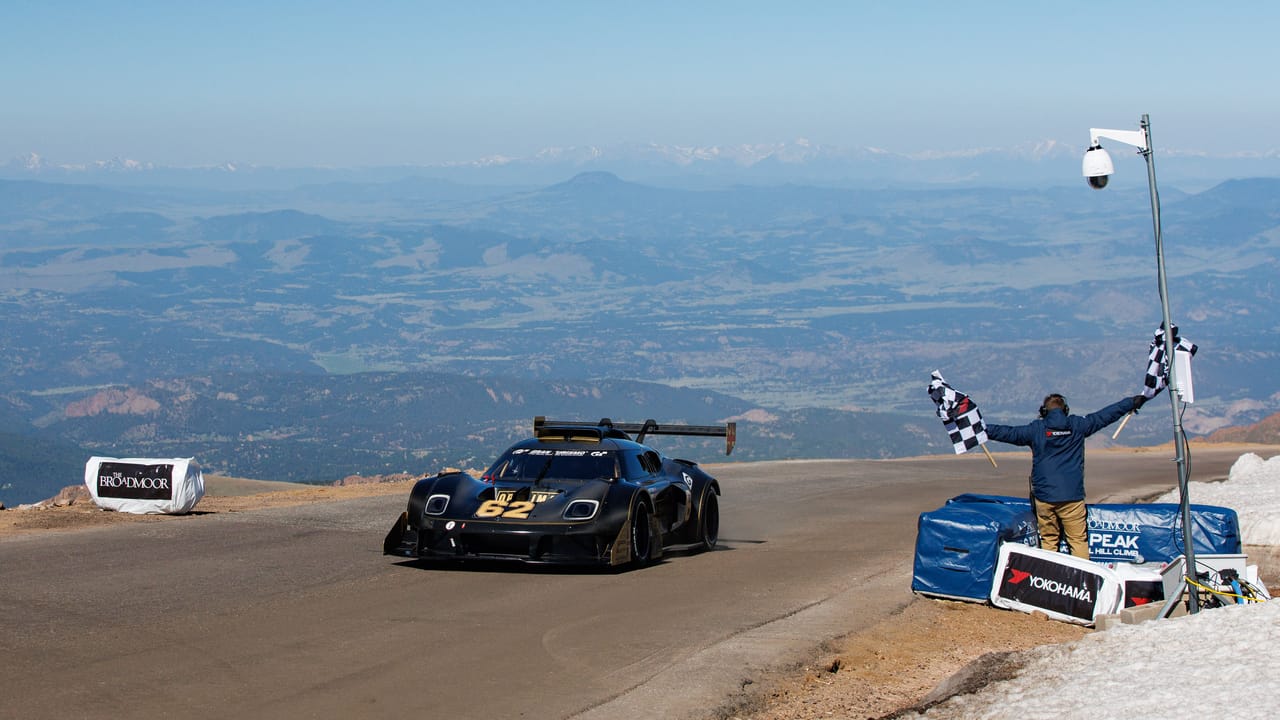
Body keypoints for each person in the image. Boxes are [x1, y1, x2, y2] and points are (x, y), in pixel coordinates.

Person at [985, 392, 1146, 558]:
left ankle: (1051, 571)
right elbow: (1105, 415)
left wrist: (980, 428)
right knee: (1078, 540)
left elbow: (1007, 432)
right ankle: (1082, 573)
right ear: (1066, 410)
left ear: (1043, 411)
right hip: (1072, 497)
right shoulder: (1078, 425)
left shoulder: (1036, 429)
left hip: (1045, 497)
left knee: (1049, 540)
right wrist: (1131, 402)